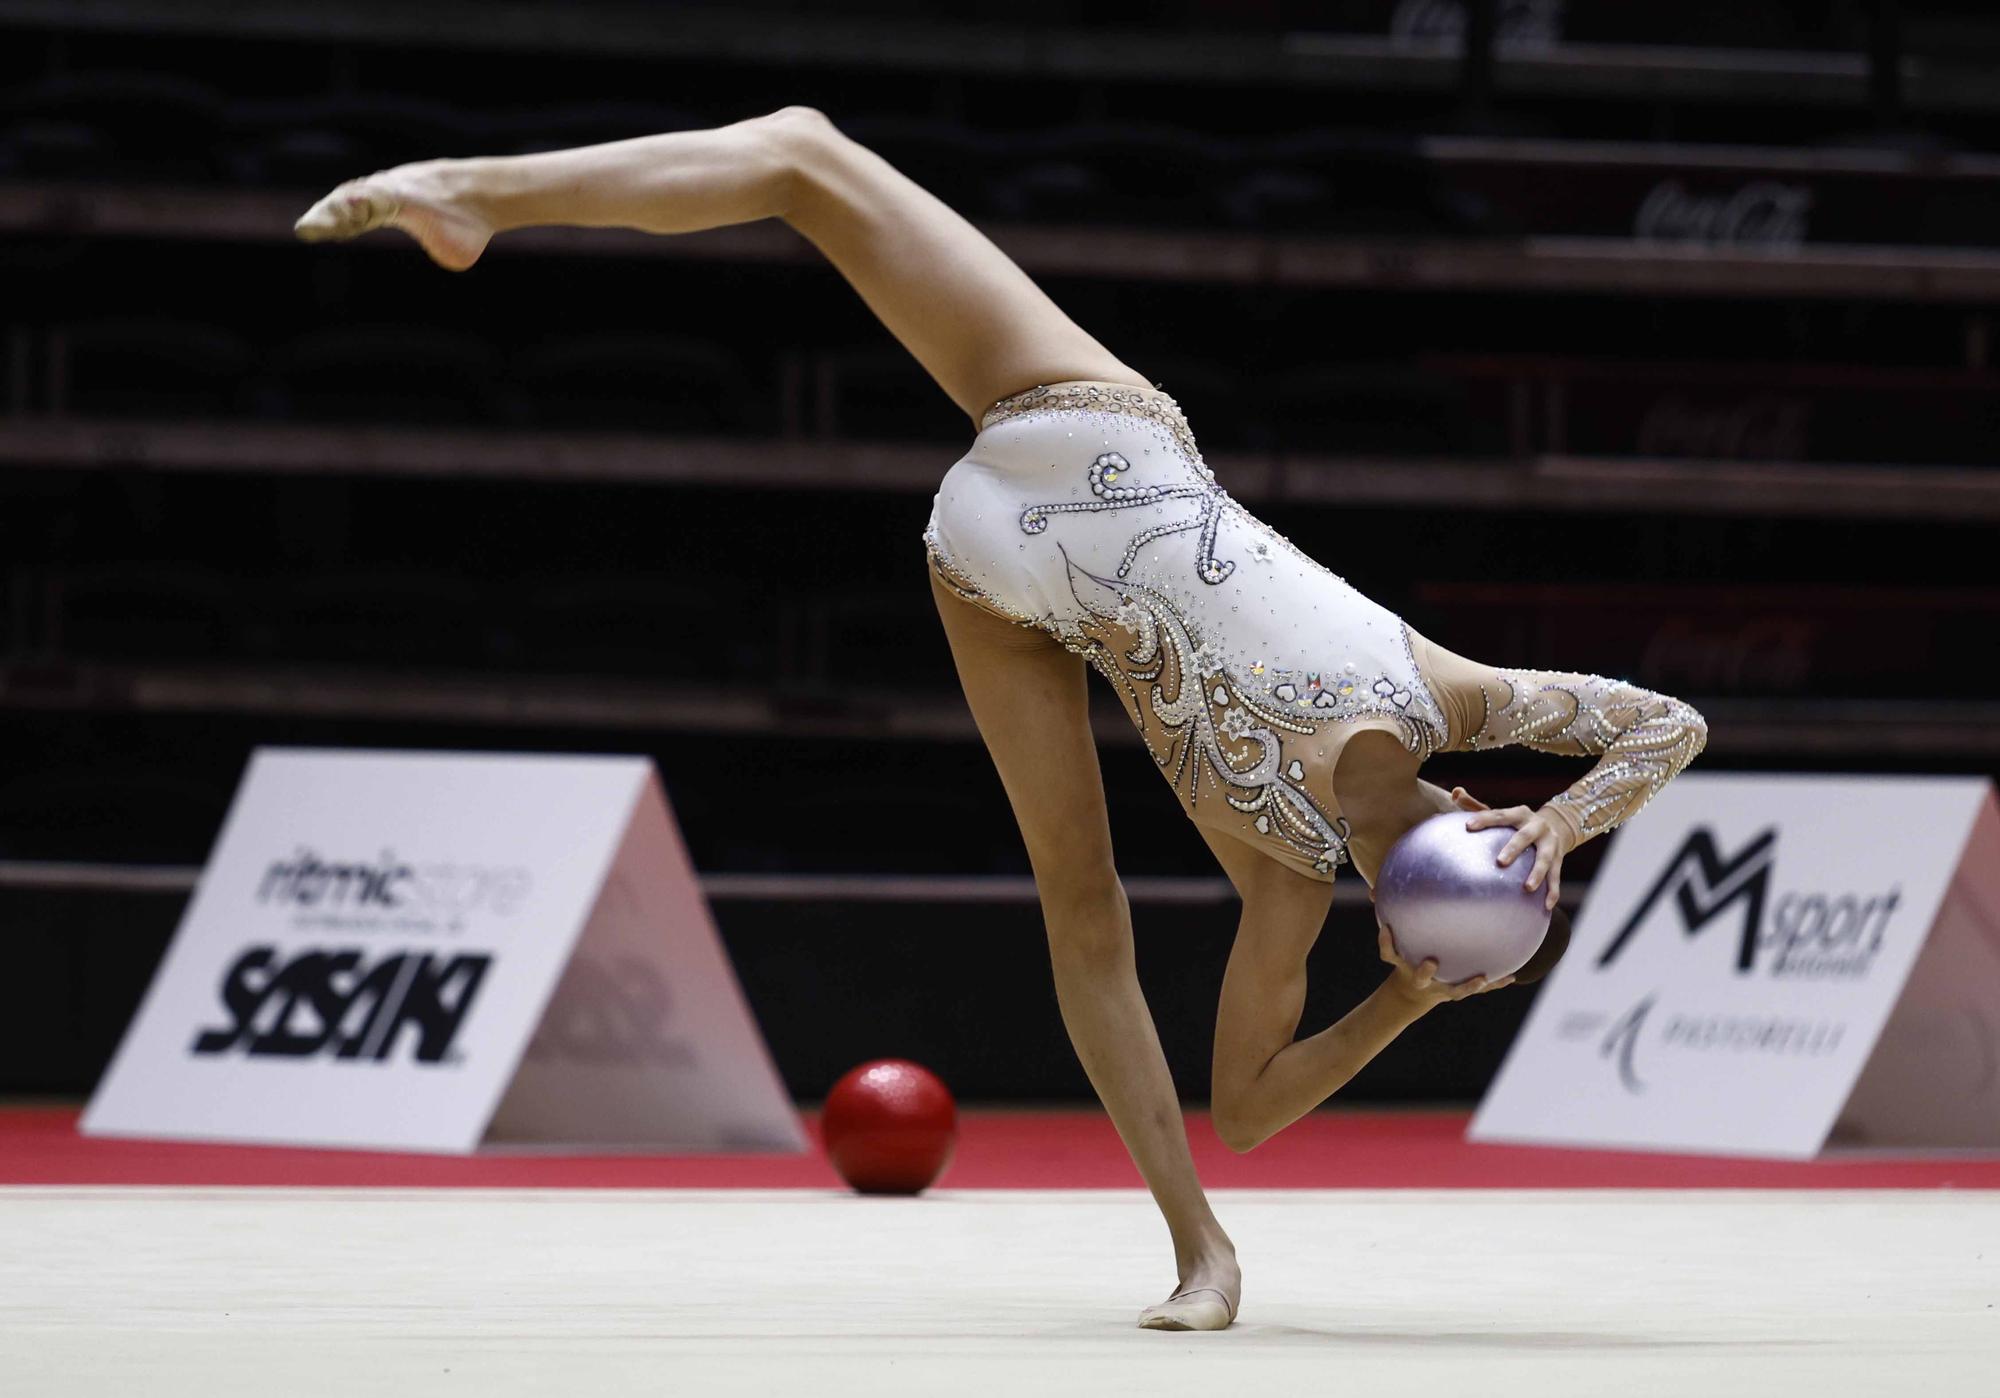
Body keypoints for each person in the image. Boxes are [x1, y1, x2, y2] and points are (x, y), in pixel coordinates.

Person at [295, 107, 1709, 1332]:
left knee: (802, 154)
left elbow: (1258, 1100)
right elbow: (1667, 733)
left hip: (1037, 520)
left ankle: (1199, 1249)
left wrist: (1476, 921)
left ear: (1461, 846)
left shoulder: (1340, 823)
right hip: (1065, 460)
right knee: (800, 152)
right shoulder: (1399, 749)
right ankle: (471, 195)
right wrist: (1520, 874)